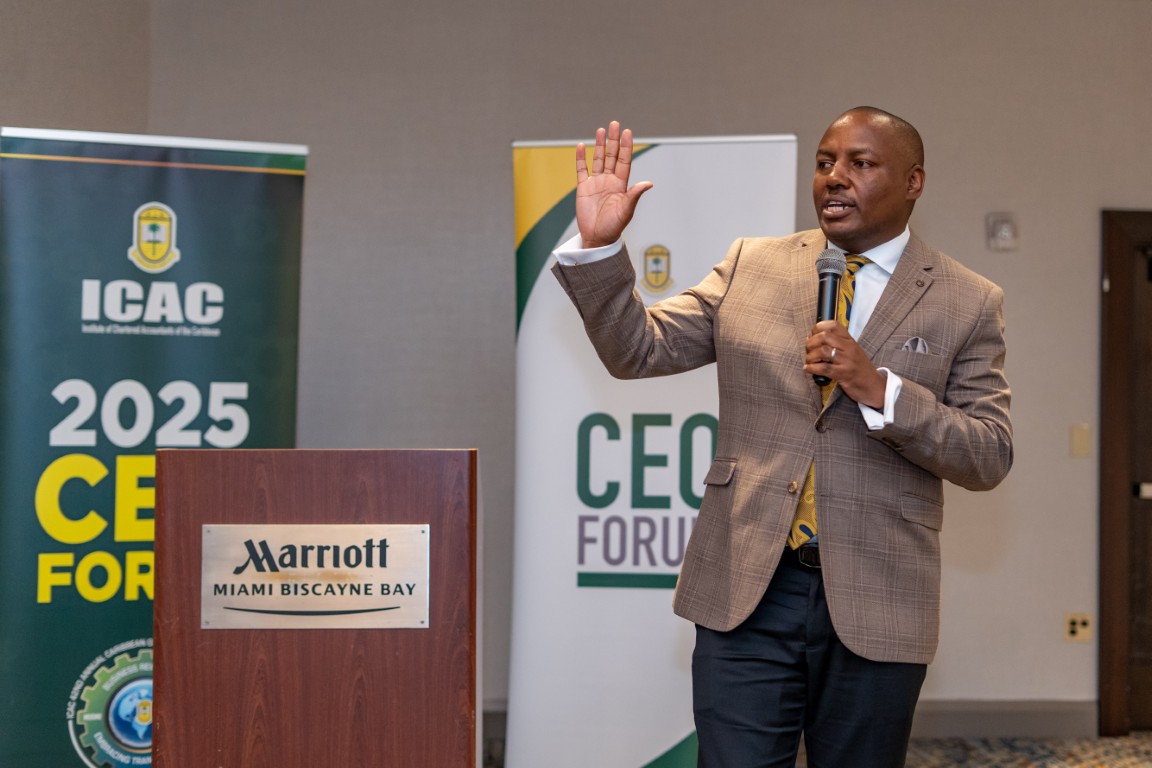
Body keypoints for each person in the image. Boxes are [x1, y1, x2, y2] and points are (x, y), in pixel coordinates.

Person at [550, 108, 1013, 768]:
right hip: (748, 589)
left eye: (861, 163)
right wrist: (599, 247)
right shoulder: (753, 264)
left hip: (879, 595)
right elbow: (638, 351)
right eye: (825, 163)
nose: (835, 178)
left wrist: (881, 390)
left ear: (913, 182)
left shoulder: (968, 300)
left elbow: (988, 451)